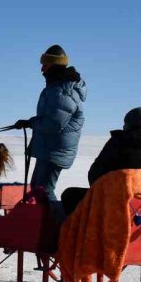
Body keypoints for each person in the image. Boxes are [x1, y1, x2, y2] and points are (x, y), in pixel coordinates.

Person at [14, 44, 87, 215]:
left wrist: (31, 123)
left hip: (55, 149)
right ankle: (42, 228)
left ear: (53, 65)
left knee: (44, 190)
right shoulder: (57, 87)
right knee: (37, 188)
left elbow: (53, 124)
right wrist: (30, 122)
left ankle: (56, 229)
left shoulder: (61, 90)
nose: (41, 69)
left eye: (45, 65)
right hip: (49, 148)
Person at [61, 107, 141, 217]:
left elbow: (95, 174)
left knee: (70, 195)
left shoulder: (119, 141)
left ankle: (76, 231)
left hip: (116, 200)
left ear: (128, 124)